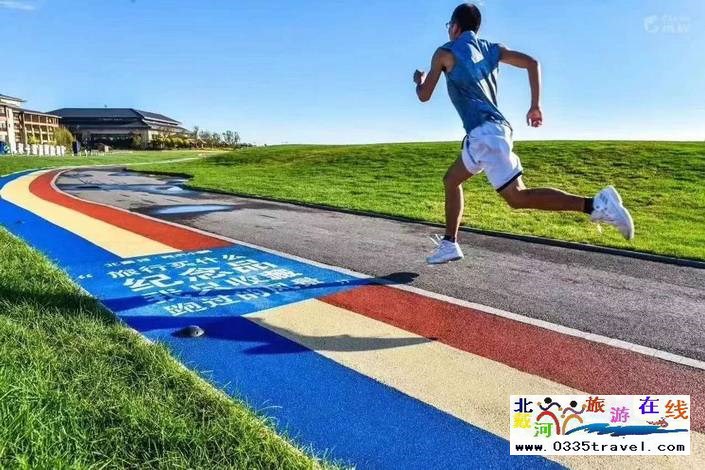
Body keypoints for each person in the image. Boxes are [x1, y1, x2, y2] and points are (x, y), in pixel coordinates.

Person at [415, 3, 634, 265]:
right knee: (454, 180)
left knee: (516, 197)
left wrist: (419, 80)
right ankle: (450, 243)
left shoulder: (444, 53)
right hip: (495, 131)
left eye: (449, 26)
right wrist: (535, 105)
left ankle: (597, 204)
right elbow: (532, 63)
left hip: (484, 134)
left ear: (455, 27)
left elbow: (424, 96)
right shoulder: (493, 49)